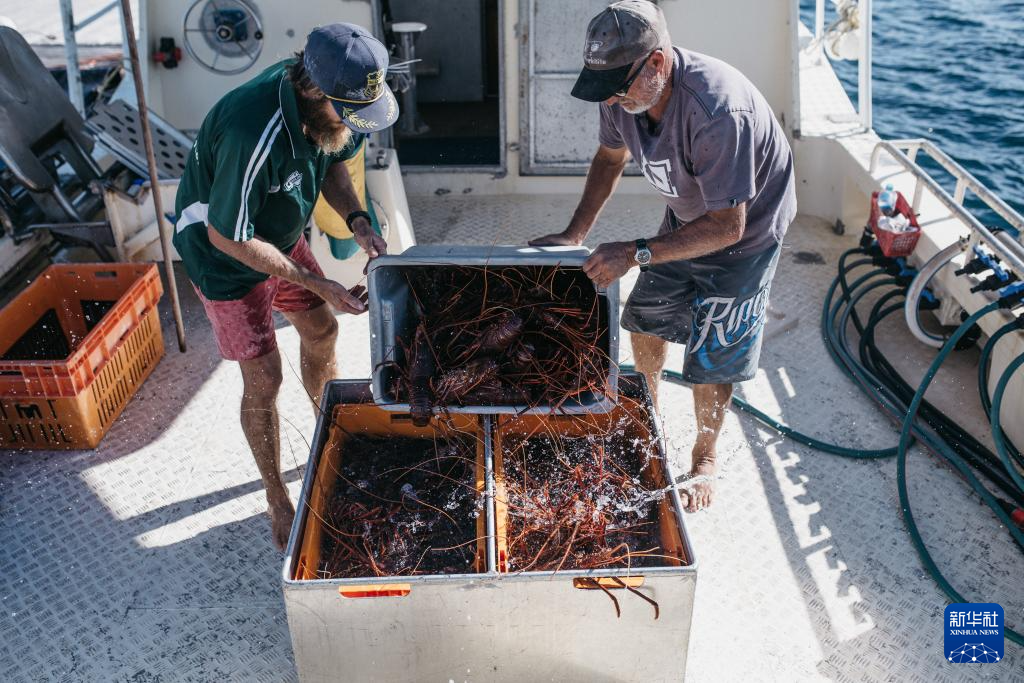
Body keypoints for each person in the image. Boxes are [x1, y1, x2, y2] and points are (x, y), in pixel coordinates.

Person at [530, 1, 796, 512]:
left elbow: (728, 226)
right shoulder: (619, 95)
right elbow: (610, 159)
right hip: (690, 216)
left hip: (747, 233)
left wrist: (635, 252)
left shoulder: (718, 112)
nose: (609, 97)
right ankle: (648, 416)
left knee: (713, 351)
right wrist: (574, 232)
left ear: (656, 63)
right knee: (644, 319)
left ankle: (705, 458)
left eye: (617, 86)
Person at [173, 23, 398, 549]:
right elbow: (229, 236)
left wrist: (358, 221)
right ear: (316, 91)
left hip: (276, 230)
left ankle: (330, 436)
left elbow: (335, 163)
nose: (354, 122)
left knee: (321, 332)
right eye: (349, 111)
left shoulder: (332, 110)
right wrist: (317, 280)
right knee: (264, 378)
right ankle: (277, 496)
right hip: (223, 255)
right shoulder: (255, 130)